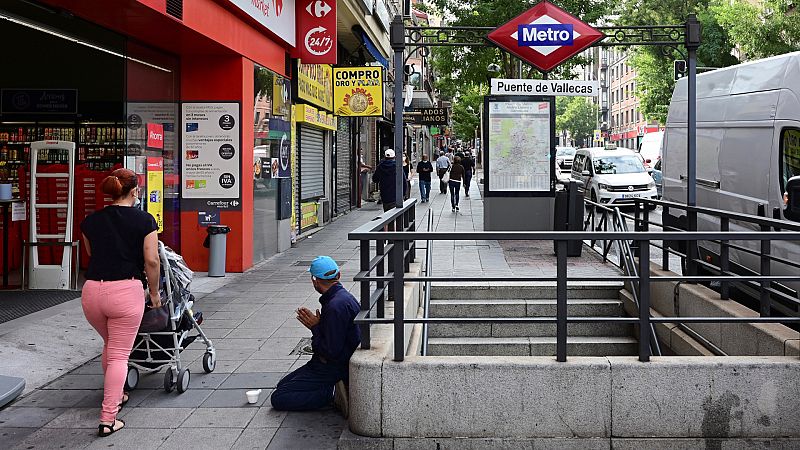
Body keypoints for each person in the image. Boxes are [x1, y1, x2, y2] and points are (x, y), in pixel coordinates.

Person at [80, 168, 160, 437]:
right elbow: (152, 260)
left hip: (92, 292)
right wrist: (155, 292)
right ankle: (108, 418)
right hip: (125, 291)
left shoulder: (91, 221)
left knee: (110, 345)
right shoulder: (144, 220)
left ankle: (120, 394)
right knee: (118, 355)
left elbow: (91, 252)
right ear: (135, 191)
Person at [271, 256, 361, 417]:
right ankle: (327, 390)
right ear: (338, 276)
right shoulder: (342, 297)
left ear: (315, 280)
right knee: (283, 385)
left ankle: (331, 394)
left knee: (279, 397)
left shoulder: (334, 306)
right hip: (332, 362)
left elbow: (330, 351)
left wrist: (315, 328)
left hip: (331, 367)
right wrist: (321, 327)